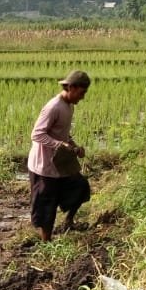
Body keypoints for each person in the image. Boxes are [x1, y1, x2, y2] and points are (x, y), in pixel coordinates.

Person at [27, 70, 93, 241]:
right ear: (71, 87)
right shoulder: (53, 107)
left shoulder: (69, 106)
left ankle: (68, 221)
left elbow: (62, 133)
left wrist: (73, 146)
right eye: (81, 93)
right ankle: (46, 241)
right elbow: (37, 134)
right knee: (46, 205)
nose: (82, 97)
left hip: (59, 162)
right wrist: (59, 144)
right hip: (44, 166)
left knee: (81, 187)